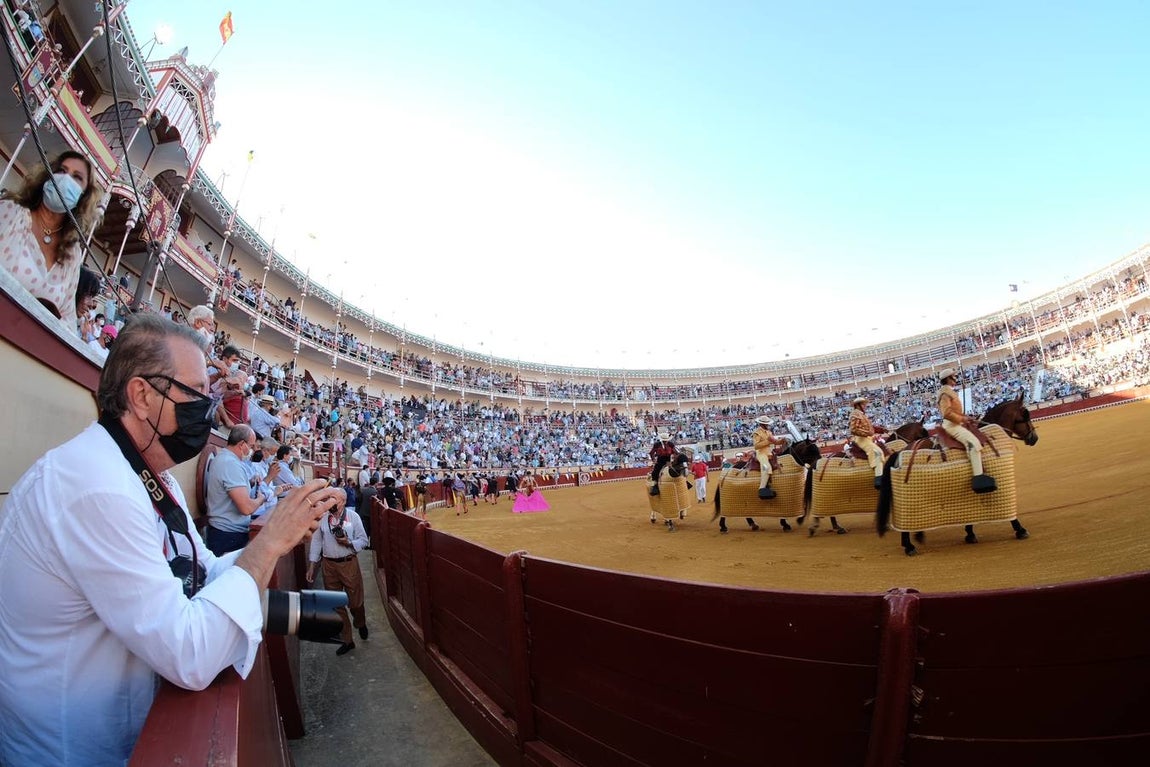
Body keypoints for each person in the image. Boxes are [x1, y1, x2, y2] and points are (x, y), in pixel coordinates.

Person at [0, 313, 339, 765]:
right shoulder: (97, 486)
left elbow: (200, 572)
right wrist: (268, 544)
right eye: (196, 392)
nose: (207, 405)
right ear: (141, 395)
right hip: (70, 751)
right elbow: (189, 654)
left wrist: (283, 530)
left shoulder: (152, 477)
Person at [0, 150, 104, 330]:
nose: (65, 180)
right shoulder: (10, 212)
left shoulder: (73, 254)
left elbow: (67, 319)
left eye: (77, 178)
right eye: (62, 171)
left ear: (83, 196)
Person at [306, 489, 369, 656]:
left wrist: (348, 542)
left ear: (343, 501)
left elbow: (363, 540)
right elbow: (317, 541)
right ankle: (347, 640)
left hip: (348, 563)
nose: (330, 503)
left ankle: (360, 622)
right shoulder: (323, 517)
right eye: (328, 499)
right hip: (329, 565)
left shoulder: (353, 517)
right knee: (336, 604)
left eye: (334, 499)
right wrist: (312, 565)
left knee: (355, 603)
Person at [204, 425, 270, 555]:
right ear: (241, 444)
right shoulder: (230, 464)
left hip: (225, 532)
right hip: (228, 535)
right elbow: (246, 508)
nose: (252, 450)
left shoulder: (227, 460)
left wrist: (250, 483)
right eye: (251, 446)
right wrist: (261, 498)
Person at [938, 367, 997, 493]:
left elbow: (954, 412)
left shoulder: (949, 392)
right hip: (951, 426)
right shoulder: (945, 394)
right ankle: (978, 478)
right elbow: (947, 413)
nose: (956, 379)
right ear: (948, 379)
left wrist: (965, 417)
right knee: (972, 443)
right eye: (954, 376)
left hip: (955, 423)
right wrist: (962, 420)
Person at [848, 396, 886, 489]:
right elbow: (853, 429)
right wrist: (867, 433)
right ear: (858, 405)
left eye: (865, 404)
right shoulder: (855, 414)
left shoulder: (862, 414)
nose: (865, 405)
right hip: (861, 439)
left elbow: (870, 428)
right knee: (877, 452)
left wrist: (881, 430)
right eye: (863, 404)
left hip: (868, 438)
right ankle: (878, 479)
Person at [751, 415, 789, 499]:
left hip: (769, 453)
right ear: (761, 424)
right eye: (766, 424)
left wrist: (781, 440)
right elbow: (756, 446)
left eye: (767, 423)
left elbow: (775, 442)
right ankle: (762, 489)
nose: (767, 425)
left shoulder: (769, 432)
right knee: (766, 467)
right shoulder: (756, 433)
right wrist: (768, 441)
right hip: (761, 454)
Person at [647, 431, 678, 496]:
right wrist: (653, 460)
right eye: (664, 440)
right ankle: (655, 487)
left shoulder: (670, 444)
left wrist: (672, 460)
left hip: (669, 460)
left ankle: (683, 483)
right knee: (655, 472)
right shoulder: (657, 444)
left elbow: (675, 452)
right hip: (660, 461)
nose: (665, 441)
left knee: (677, 470)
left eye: (666, 440)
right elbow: (651, 453)